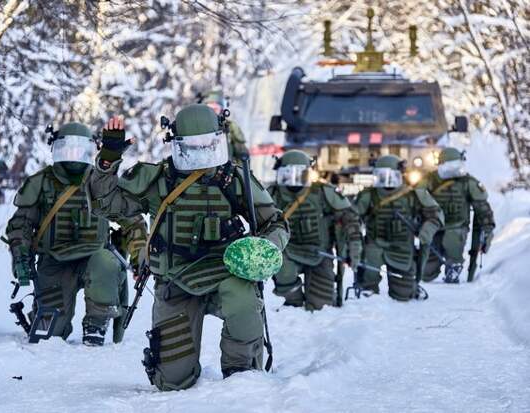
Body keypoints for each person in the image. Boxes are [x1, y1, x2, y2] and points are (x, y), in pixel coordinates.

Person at [87, 104, 289, 391]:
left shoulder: (234, 178)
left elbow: (277, 223)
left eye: (208, 145)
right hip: (176, 279)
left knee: (243, 301)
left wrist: (264, 249)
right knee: (173, 381)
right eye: (191, 147)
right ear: (176, 145)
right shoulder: (158, 179)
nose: (201, 154)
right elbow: (105, 204)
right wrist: (108, 158)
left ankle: (242, 377)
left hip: (226, 272)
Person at [5, 122, 147, 346]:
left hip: (93, 256)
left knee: (106, 262)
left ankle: (97, 323)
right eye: (66, 149)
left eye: (79, 149)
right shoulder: (40, 183)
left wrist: (140, 255)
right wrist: (21, 256)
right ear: (56, 149)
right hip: (54, 261)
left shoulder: (100, 183)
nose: (73, 155)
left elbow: (134, 222)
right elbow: (20, 225)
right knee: (48, 335)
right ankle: (49, 320)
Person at [267, 150, 362, 309]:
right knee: (284, 273)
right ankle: (293, 301)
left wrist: (354, 246)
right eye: (288, 174)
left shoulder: (324, 191)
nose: (294, 178)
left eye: (300, 173)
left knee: (321, 306)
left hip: (320, 254)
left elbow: (350, 217)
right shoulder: (272, 194)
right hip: (287, 252)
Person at [353, 155, 444, 300]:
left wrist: (426, 231)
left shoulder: (414, 194)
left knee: (403, 295)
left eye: (391, 176)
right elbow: (352, 217)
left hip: (402, 247)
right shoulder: (368, 195)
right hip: (375, 243)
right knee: (367, 278)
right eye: (382, 176)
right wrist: (354, 234)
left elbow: (436, 215)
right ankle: (367, 287)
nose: (386, 180)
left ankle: (411, 287)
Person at [417, 147, 495, 283]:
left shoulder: (468, 182)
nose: (451, 171)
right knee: (426, 273)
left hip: (457, 226)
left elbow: (482, 207)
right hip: (434, 225)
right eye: (448, 167)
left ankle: (454, 266)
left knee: (452, 242)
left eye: (455, 166)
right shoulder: (430, 179)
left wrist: (487, 229)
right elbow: (415, 197)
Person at [198, 89, 249, 160]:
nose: (212, 112)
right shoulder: (197, 126)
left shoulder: (231, 126)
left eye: (215, 109)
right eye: (209, 109)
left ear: (222, 110)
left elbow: (242, 153)